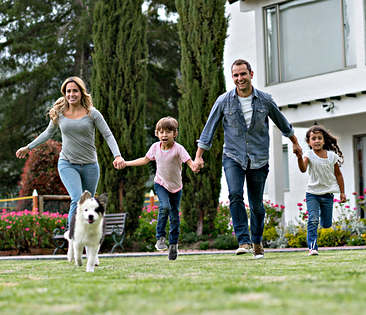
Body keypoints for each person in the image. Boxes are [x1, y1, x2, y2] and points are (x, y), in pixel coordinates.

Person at [194, 59, 302, 259]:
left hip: (258, 158)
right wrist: (198, 156)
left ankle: (257, 241)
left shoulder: (265, 100)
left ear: (251, 74)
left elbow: (283, 123)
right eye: (235, 75)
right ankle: (243, 240)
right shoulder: (223, 101)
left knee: (257, 205)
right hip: (233, 156)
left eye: (243, 74)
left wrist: (295, 143)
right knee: (235, 194)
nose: (239, 78)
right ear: (232, 77)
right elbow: (209, 129)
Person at [16, 76, 125, 227]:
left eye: (75, 91)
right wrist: (28, 147)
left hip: (90, 165)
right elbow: (47, 134)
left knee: (87, 204)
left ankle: (84, 238)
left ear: (81, 93)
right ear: (64, 93)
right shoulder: (59, 113)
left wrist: (117, 155)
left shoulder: (92, 113)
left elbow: (107, 134)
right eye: (68, 91)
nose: (71, 94)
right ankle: (72, 238)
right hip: (67, 164)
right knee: (77, 198)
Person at [122, 117, 197, 260]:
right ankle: (160, 238)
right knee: (165, 207)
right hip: (160, 183)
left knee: (175, 218)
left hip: (176, 188)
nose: (164, 135)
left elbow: (189, 162)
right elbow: (144, 160)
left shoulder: (178, 149)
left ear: (175, 134)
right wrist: (126, 163)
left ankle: (173, 245)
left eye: (168, 132)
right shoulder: (155, 147)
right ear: (156, 134)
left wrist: (195, 166)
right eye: (161, 132)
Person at [296, 125, 346, 256]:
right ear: (309, 142)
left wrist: (342, 192)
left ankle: (324, 223)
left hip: (328, 195)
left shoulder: (332, 156)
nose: (317, 141)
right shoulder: (308, 155)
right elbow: (303, 169)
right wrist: (299, 157)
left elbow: (338, 174)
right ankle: (312, 248)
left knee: (326, 224)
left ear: (324, 141)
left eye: (319, 138)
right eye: (313, 138)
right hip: (312, 193)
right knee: (313, 219)